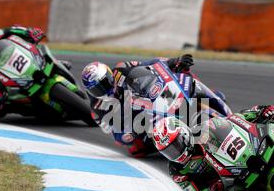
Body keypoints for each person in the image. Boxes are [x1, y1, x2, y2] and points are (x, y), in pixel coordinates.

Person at [81, 54, 231, 156]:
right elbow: (117, 135)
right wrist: (129, 133)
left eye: (105, 81)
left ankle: (211, 97)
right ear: (91, 91)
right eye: (98, 88)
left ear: (108, 74)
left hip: (150, 98)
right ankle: (180, 151)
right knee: (137, 149)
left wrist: (175, 62)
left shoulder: (120, 69)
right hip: (135, 123)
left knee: (182, 75)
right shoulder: (97, 109)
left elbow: (150, 64)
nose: (105, 87)